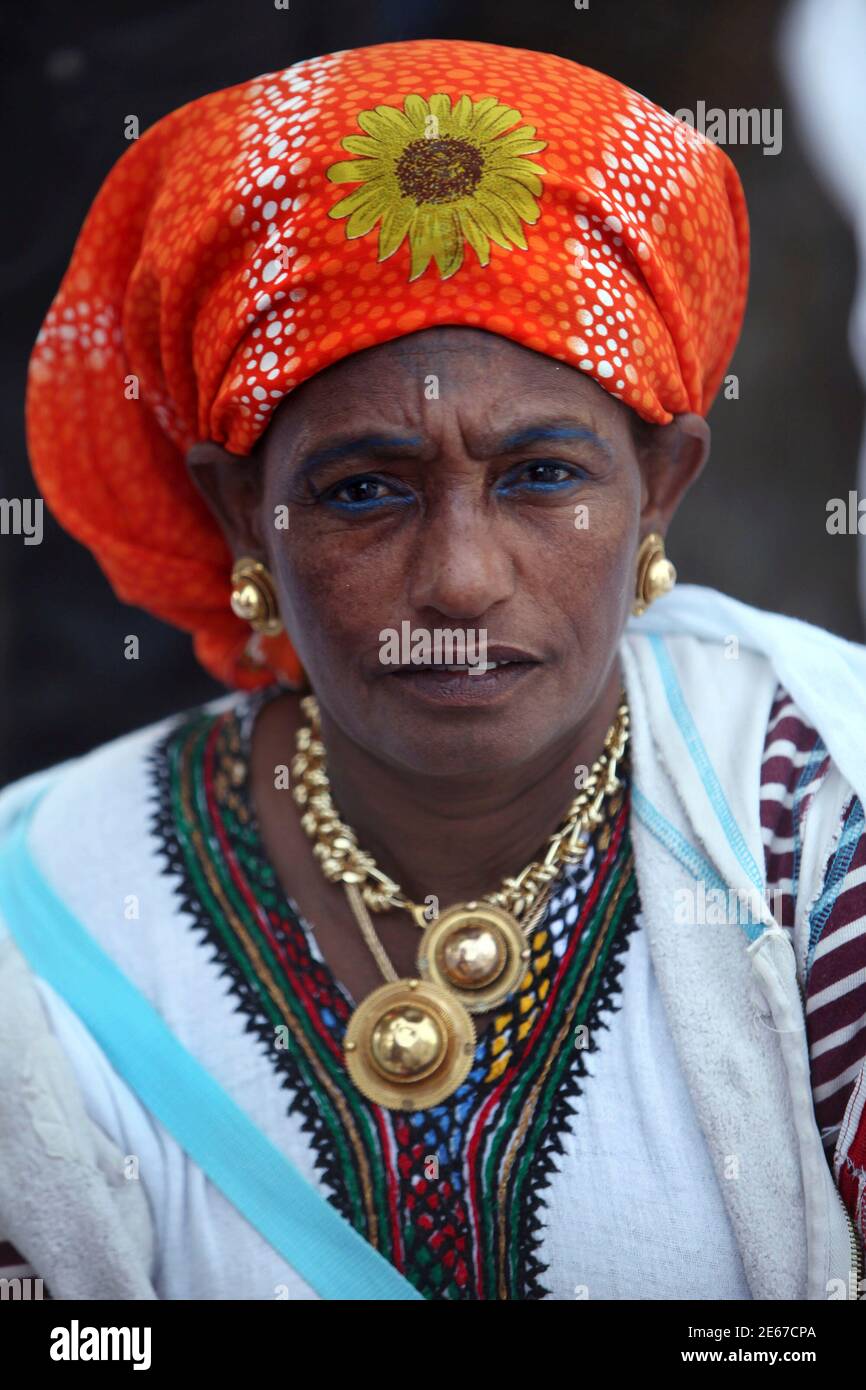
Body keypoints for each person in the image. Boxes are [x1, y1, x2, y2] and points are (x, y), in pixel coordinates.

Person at [1, 36, 864, 1302]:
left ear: (661, 488)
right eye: (361, 491)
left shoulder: (816, 816)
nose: (460, 578)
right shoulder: (42, 918)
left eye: (541, 477)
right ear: (246, 514)